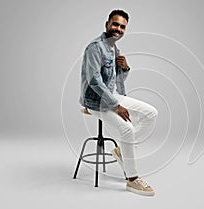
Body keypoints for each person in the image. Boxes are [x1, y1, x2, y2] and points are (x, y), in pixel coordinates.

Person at [79, 9, 158, 196]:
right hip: (95, 101)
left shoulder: (114, 47)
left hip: (111, 96)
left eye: (123, 27)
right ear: (107, 24)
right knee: (127, 129)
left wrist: (125, 67)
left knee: (151, 114)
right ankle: (132, 179)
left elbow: (114, 80)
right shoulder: (95, 47)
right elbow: (94, 81)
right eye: (115, 24)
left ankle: (123, 150)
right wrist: (116, 106)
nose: (118, 29)